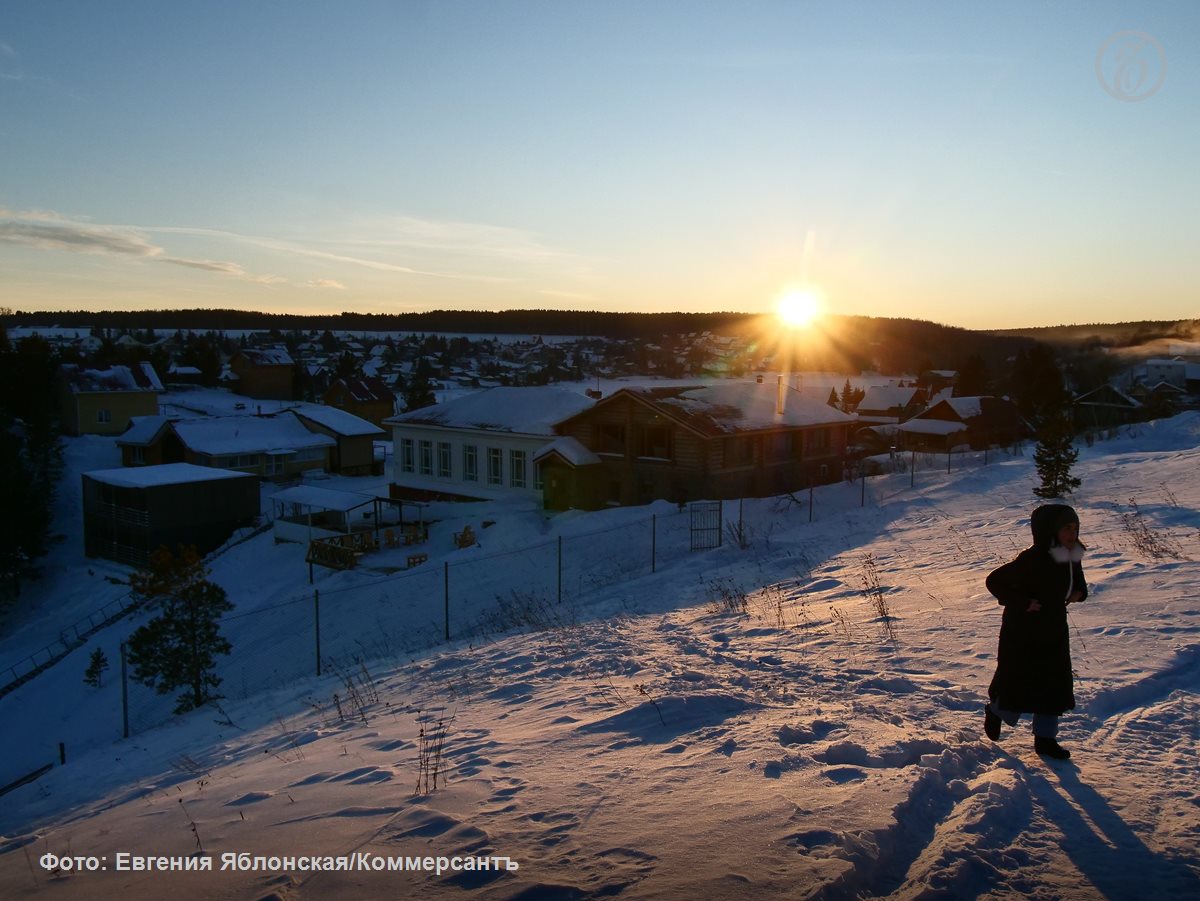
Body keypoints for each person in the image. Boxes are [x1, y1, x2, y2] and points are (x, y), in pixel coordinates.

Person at [983, 504, 1087, 760]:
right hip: (1023, 631)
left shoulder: (1069, 555)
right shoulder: (1032, 558)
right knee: (1021, 679)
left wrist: (1079, 594)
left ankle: (1045, 740)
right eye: (1066, 528)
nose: (1072, 534)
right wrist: (1024, 602)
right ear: (1049, 530)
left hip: (1053, 628)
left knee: (1053, 683)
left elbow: (1080, 585)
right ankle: (997, 711)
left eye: (1075, 528)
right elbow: (994, 581)